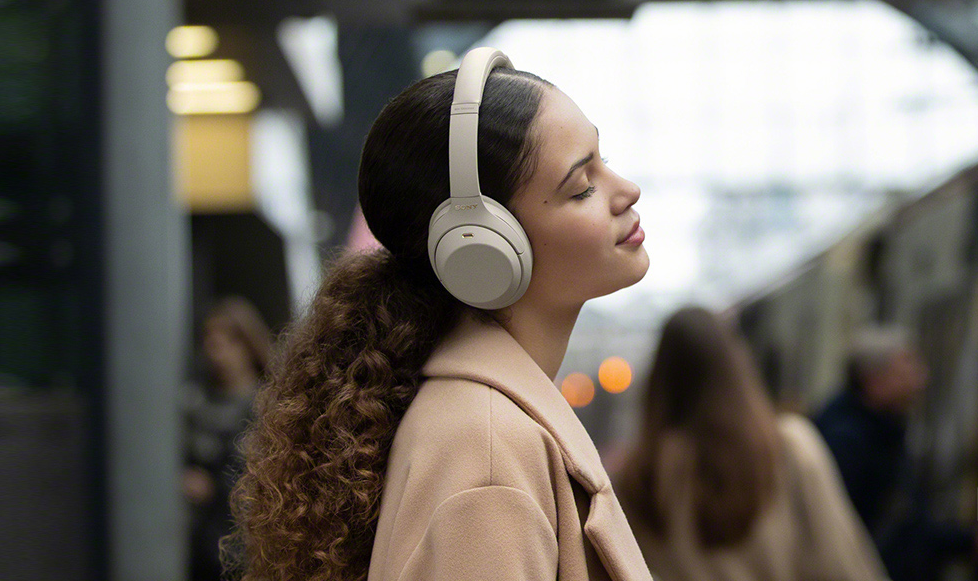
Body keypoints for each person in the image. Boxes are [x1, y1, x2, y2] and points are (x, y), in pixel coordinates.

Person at [226, 48, 654, 581]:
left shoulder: (478, 427)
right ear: (484, 249)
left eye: (603, 160)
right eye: (581, 186)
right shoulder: (489, 456)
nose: (626, 190)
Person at [615, 306, 888, 581]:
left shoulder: (639, 477)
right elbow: (841, 561)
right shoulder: (788, 446)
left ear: (659, 379)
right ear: (736, 366)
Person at [814, 325, 978, 581]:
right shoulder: (847, 441)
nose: (921, 379)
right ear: (874, 381)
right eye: (906, 370)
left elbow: (911, 528)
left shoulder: (882, 432)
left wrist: (963, 541)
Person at [182, 296, 271, 581]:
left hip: (249, 541)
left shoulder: (269, 404)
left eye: (228, 337)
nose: (216, 347)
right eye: (209, 336)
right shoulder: (194, 403)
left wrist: (216, 486)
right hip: (199, 543)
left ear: (247, 342)